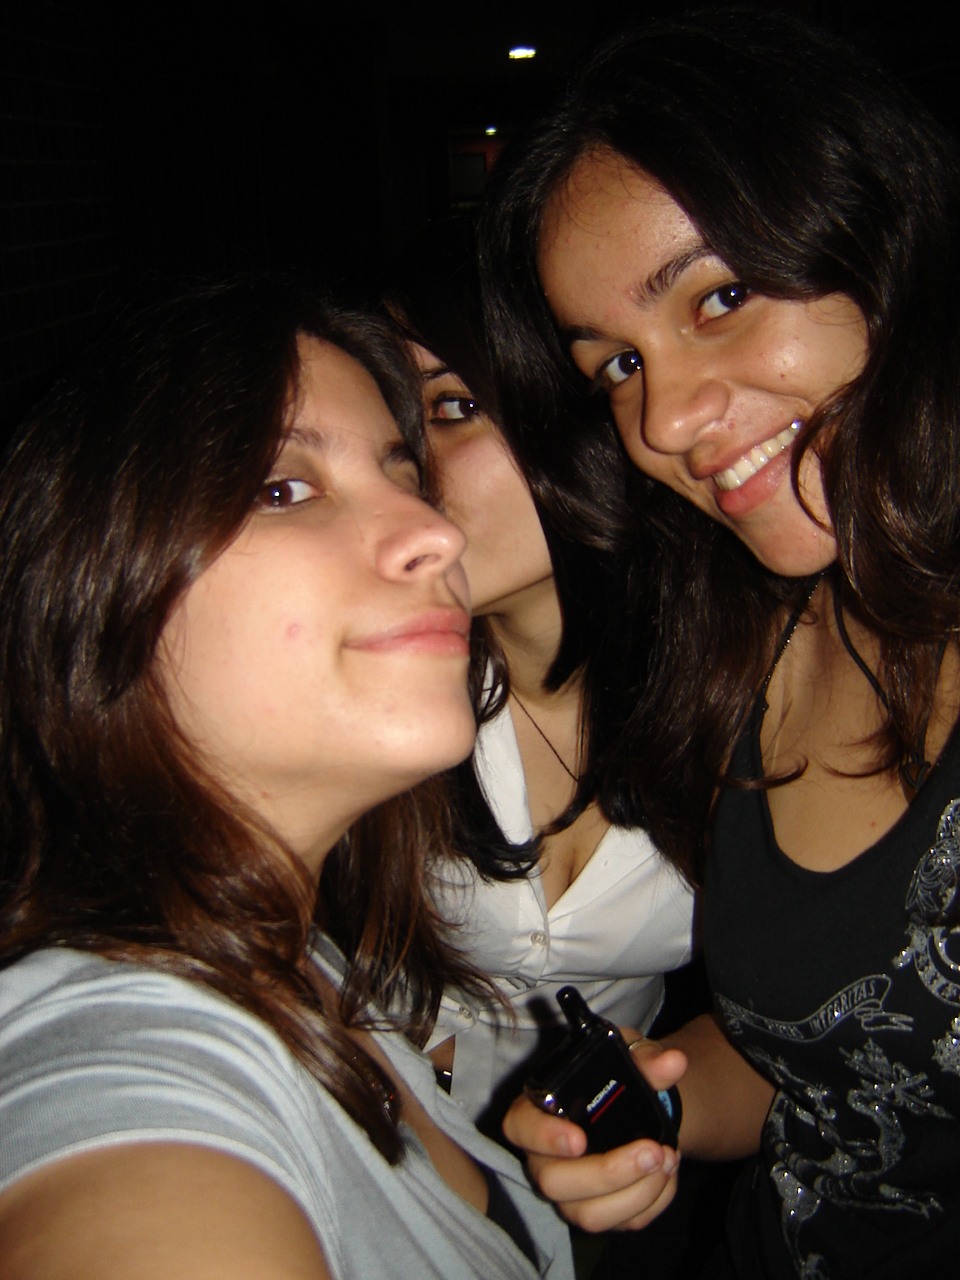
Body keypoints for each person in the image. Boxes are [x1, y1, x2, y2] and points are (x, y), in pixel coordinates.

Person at [478, 10, 960, 1279]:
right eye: (617, 363)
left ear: (883, 237)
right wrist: (663, 1104)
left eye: (722, 297)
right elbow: (814, 1048)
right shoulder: (752, 643)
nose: (670, 419)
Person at [0, 277, 574, 1280]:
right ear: (97, 592)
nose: (435, 532)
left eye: (406, 475)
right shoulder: (127, 1062)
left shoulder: (292, 948)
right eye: (284, 489)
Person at [382, 231, 694, 1133]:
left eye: (450, 407)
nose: (404, 477)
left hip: (599, 1156)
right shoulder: (372, 679)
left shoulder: (744, 687)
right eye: (389, 435)